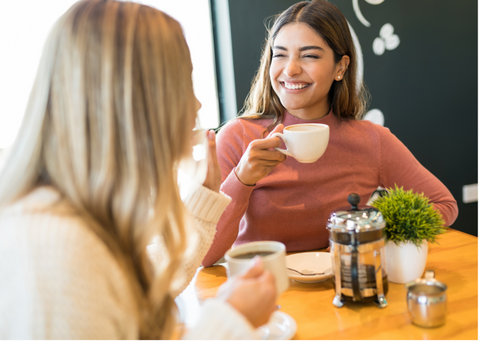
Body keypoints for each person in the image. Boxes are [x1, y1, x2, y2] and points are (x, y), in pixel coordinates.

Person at [0, 1, 277, 340]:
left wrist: (203, 200)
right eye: (184, 84)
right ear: (136, 99)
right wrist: (229, 321)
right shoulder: (55, 247)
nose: (197, 105)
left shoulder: (85, 212)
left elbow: (141, 284)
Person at [202, 0, 458, 267]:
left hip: (341, 290)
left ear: (340, 67)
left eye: (309, 55)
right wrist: (242, 179)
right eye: (279, 54)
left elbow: (443, 205)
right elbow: (205, 254)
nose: (290, 69)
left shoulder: (371, 141)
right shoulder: (238, 137)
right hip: (260, 293)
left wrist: (369, 228)